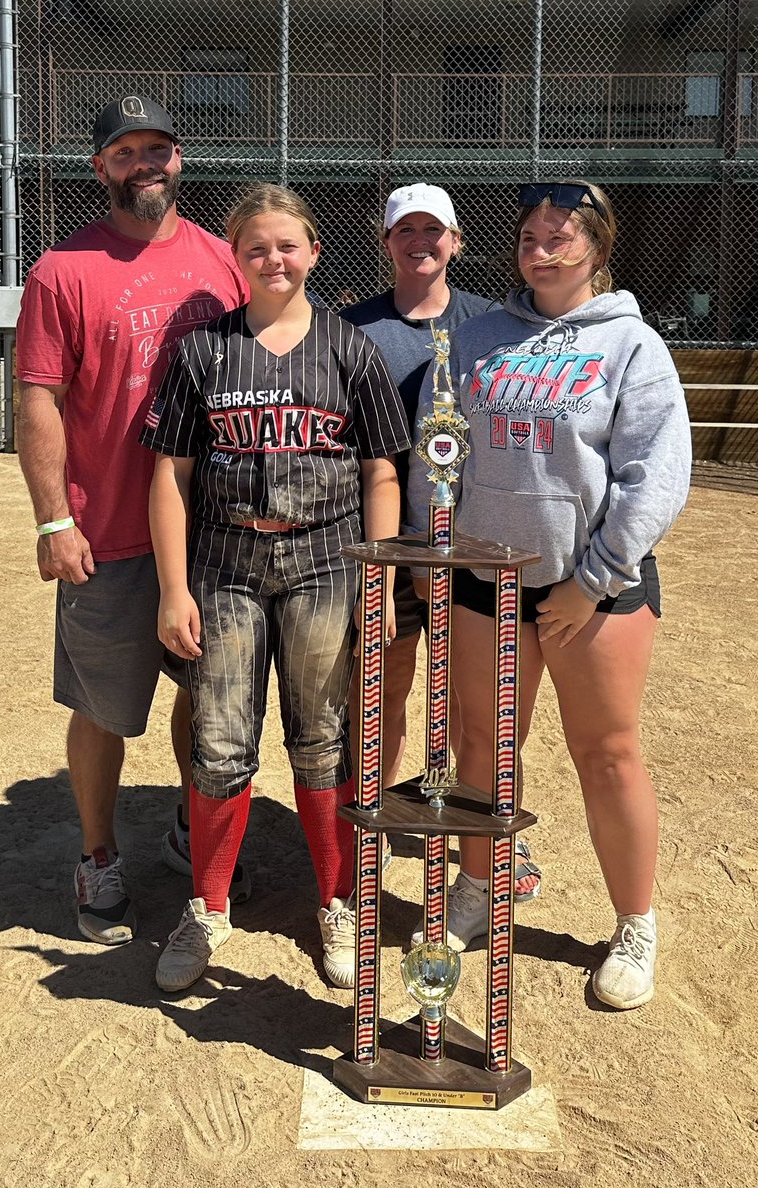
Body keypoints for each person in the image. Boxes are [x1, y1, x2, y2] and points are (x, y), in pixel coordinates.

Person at [406, 180, 691, 1009]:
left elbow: (655, 477)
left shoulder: (630, 346)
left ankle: (633, 921)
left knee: (606, 755)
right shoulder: (474, 338)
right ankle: (476, 886)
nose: (541, 248)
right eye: (530, 235)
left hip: (591, 590)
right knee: (483, 748)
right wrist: (434, 548)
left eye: (560, 236)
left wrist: (592, 579)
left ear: (598, 248)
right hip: (482, 584)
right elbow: (436, 452)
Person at [140, 183, 411, 992]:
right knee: (222, 740)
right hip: (224, 562)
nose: (273, 260)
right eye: (256, 247)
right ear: (236, 257)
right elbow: (170, 472)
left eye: (288, 245)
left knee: (320, 734)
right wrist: (170, 589)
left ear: (314, 253)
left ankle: (336, 905)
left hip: (324, 562)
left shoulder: (345, 346)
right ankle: (207, 907)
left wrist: (384, 576)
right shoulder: (205, 349)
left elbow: (381, 468)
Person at [16, 96, 251, 947]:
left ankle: (195, 834)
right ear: (100, 167)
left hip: (213, 530)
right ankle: (98, 854)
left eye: (159, 147)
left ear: (179, 160)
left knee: (208, 696)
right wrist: (52, 520)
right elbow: (37, 394)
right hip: (107, 531)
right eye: (126, 150)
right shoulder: (62, 269)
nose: (145, 162)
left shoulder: (223, 261)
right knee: (104, 709)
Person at [341, 184, 540, 897]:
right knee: (384, 692)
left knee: (471, 706)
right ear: (386, 240)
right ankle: (375, 829)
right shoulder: (352, 327)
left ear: (455, 240)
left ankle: (480, 844)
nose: (419, 241)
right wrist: (389, 553)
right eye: (405, 230)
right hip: (390, 545)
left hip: (470, 550)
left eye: (434, 229)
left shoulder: (490, 323)